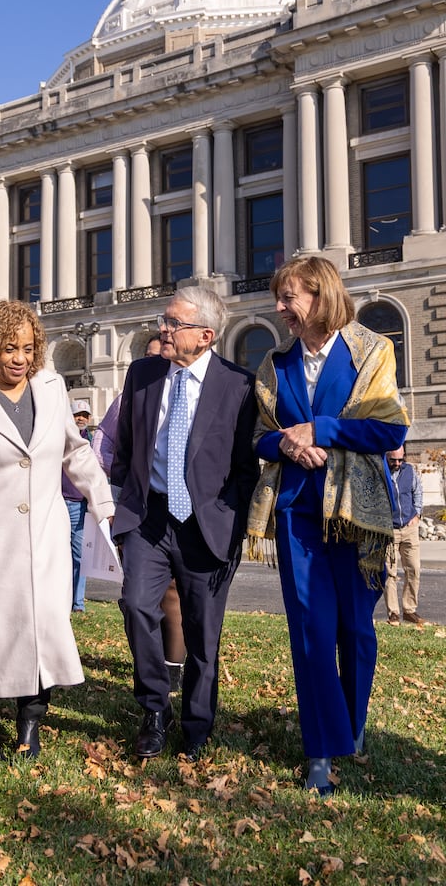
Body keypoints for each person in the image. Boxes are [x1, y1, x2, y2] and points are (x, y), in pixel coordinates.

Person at [247, 255, 409, 796]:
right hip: (296, 512)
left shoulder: (372, 350)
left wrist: (320, 430)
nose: (279, 309)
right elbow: (260, 439)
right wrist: (289, 441)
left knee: (356, 632)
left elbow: (389, 430)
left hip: (358, 518)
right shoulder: (276, 362)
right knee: (312, 632)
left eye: (288, 298)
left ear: (320, 296)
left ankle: (352, 726)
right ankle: (321, 748)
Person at [0, 299, 114, 761]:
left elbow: (74, 452)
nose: (19, 358)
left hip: (46, 533)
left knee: (43, 627)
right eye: (8, 348)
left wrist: (102, 501)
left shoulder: (52, 387)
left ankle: (30, 723)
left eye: (28, 347)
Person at [112, 286, 259, 760]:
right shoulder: (143, 374)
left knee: (202, 633)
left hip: (206, 525)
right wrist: (125, 502)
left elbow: (245, 467)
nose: (163, 330)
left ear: (206, 335)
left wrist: (229, 520)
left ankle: (197, 725)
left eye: (173, 323)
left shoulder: (239, 386)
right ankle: (155, 709)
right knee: (136, 606)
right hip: (149, 519)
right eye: (164, 320)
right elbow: (124, 445)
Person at [93, 332, 187, 692]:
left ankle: (173, 668)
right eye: (150, 355)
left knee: (174, 592)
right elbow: (104, 447)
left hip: (182, 507)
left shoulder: (191, 391)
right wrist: (121, 490)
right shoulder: (128, 398)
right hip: (139, 507)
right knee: (136, 595)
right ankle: (150, 664)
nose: (157, 362)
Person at [384, 445, 425, 627]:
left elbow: (418, 492)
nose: (398, 463)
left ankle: (410, 610)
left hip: (409, 528)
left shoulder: (410, 471)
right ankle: (393, 613)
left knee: (414, 569)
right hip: (389, 530)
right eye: (394, 460)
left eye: (401, 459)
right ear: (387, 457)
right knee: (390, 573)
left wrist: (417, 514)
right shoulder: (380, 470)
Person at [62, 398, 94, 612]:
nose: (81, 418)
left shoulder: (92, 442)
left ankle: (78, 603)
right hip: (59, 501)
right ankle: (60, 601)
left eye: (85, 415)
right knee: (58, 554)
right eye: (77, 415)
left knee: (78, 555)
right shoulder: (61, 439)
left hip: (80, 505)